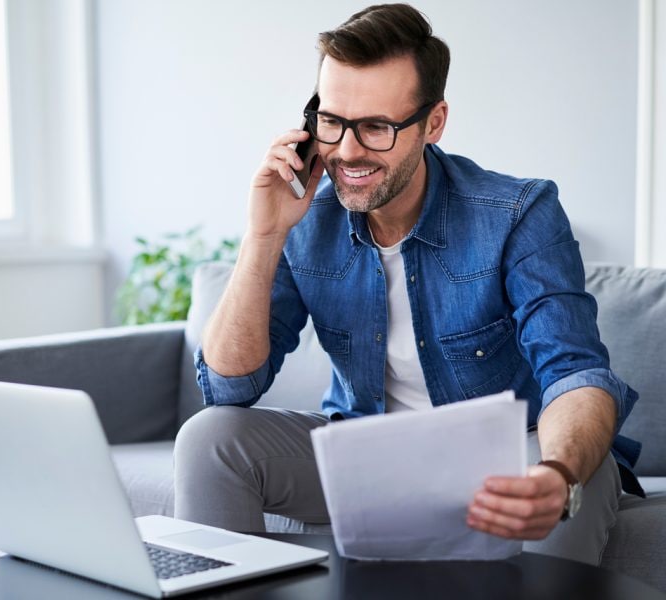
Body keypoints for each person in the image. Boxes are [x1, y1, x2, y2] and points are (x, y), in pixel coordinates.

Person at [173, 3, 642, 565]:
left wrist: (556, 472)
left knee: (575, 483)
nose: (347, 150)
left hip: (513, 456)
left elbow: (577, 373)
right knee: (209, 439)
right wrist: (264, 234)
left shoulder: (518, 212)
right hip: (368, 453)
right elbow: (229, 390)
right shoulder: (306, 222)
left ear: (433, 123)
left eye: (376, 127)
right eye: (331, 121)